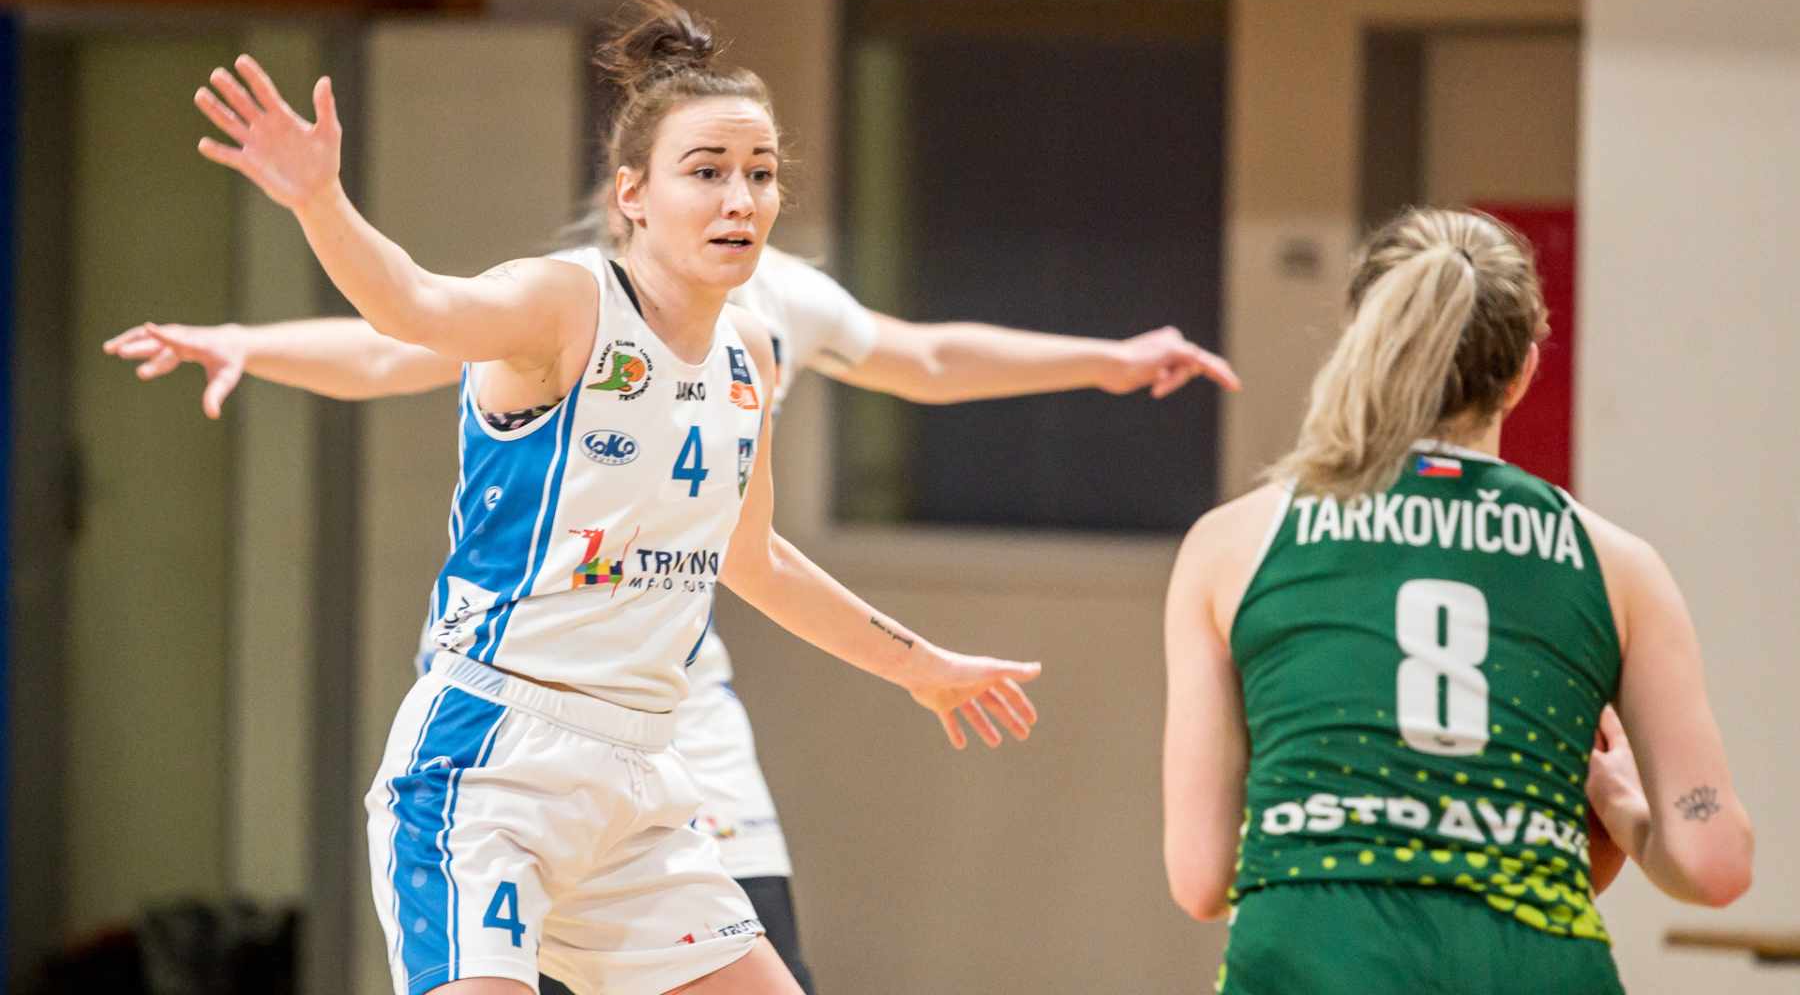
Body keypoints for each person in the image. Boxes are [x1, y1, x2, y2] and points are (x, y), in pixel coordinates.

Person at [106, 48, 1237, 995]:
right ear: (631, 194)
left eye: (761, 174)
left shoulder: (749, 353)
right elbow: (410, 310)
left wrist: (921, 668)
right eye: (708, 172)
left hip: (642, 777)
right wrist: (319, 201)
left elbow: (758, 561)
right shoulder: (564, 300)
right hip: (494, 761)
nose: (741, 199)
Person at [1160, 208, 1752, 994]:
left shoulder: (1233, 543)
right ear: (1524, 372)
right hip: (1532, 965)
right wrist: (1621, 806)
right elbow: (1715, 865)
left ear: (1368, 342)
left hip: (1313, 956)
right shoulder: (1618, 564)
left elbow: (1200, 879)